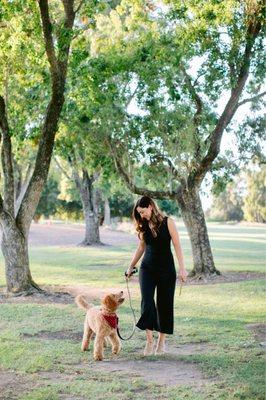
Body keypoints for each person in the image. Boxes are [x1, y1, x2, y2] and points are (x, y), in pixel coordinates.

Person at [126, 195, 188, 356]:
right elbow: (141, 248)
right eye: (139, 213)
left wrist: (182, 269)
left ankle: (161, 341)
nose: (141, 215)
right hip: (147, 269)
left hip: (166, 269)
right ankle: (149, 341)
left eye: (143, 211)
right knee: (147, 302)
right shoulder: (143, 225)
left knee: (164, 304)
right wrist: (131, 266)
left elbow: (177, 246)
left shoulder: (168, 222)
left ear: (151, 207)